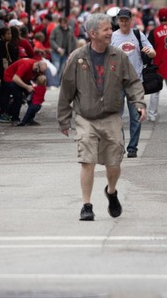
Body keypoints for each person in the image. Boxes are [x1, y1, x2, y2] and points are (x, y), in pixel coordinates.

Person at [58, 13, 147, 221]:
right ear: (93, 34)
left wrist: (139, 103)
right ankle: (86, 205)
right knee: (86, 160)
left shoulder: (119, 56)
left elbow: (133, 83)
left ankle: (112, 191)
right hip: (85, 117)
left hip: (111, 116)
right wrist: (63, 119)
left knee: (114, 163)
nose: (110, 32)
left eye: (110, 28)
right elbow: (66, 90)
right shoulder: (77, 58)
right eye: (106, 29)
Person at [110, 7, 156, 158]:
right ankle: (120, 145)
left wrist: (149, 52)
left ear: (131, 21)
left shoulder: (137, 34)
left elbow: (153, 52)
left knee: (135, 116)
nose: (123, 22)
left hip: (135, 81)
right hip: (117, 82)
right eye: (121, 20)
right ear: (118, 21)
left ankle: (133, 148)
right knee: (116, 116)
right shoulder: (113, 37)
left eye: (126, 20)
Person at [49, 16, 75, 85]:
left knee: (62, 69)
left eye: (64, 23)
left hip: (66, 52)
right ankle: (54, 83)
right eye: (61, 23)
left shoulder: (70, 29)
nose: (63, 24)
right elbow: (51, 39)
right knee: (56, 67)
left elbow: (72, 41)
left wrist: (72, 51)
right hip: (56, 52)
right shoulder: (56, 29)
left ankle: (58, 83)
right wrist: (57, 47)